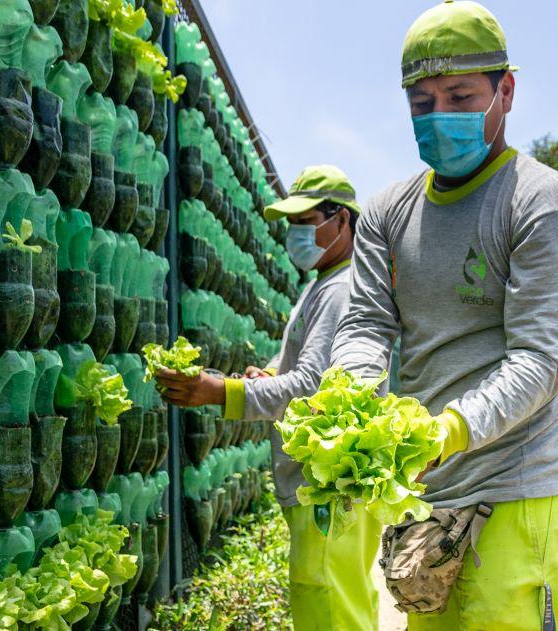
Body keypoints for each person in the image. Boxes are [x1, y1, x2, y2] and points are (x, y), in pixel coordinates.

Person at [330, 2, 558, 629]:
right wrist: (351, 399)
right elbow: (367, 324)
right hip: (426, 500)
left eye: (459, 95)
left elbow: (541, 359)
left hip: (517, 497)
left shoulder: (547, 205)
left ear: (505, 90)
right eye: (421, 104)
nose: (439, 116)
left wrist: (448, 432)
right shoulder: (386, 213)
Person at [157, 165, 380, 631]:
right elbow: (300, 372)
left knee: (329, 609)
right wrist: (270, 374)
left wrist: (218, 392)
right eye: (291, 224)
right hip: (322, 488)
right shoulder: (321, 284)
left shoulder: (340, 290)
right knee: (337, 603)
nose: (296, 234)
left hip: (329, 490)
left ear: (341, 220)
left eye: (306, 221)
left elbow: (310, 387)